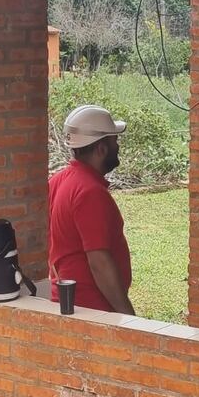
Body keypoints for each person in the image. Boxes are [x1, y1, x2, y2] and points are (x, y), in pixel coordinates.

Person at [48, 104, 134, 314]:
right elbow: (99, 262)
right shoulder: (90, 193)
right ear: (101, 149)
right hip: (92, 309)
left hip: (69, 302)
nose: (118, 147)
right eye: (115, 141)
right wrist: (128, 317)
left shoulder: (59, 180)